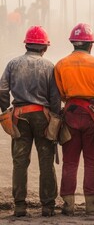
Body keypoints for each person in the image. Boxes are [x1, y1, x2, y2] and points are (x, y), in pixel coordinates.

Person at [0, 26, 60, 217]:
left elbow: (2, 91)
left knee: (19, 162)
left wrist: (5, 112)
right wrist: (55, 118)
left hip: (19, 117)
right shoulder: (49, 66)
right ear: (45, 47)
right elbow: (55, 98)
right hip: (42, 117)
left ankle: (19, 206)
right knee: (46, 161)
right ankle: (48, 206)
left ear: (26, 44)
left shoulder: (13, 64)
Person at [54, 23, 94, 216]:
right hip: (91, 116)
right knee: (91, 162)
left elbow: (60, 93)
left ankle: (68, 205)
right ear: (90, 45)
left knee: (70, 162)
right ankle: (91, 204)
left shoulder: (61, 64)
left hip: (70, 114)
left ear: (73, 43)